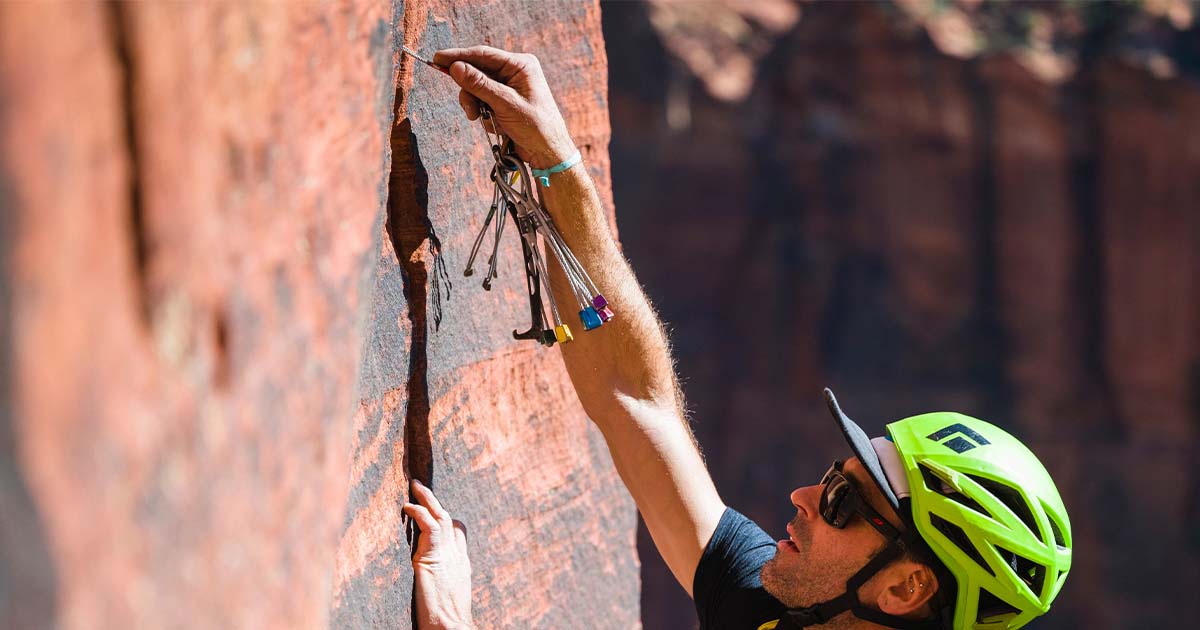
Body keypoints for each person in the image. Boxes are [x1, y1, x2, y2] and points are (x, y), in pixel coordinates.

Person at [401, 46, 1073, 630]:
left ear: (904, 588)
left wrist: (451, 616)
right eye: (829, 480)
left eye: (841, 504)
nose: (801, 499)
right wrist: (553, 164)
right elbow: (635, 397)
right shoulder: (780, 609)